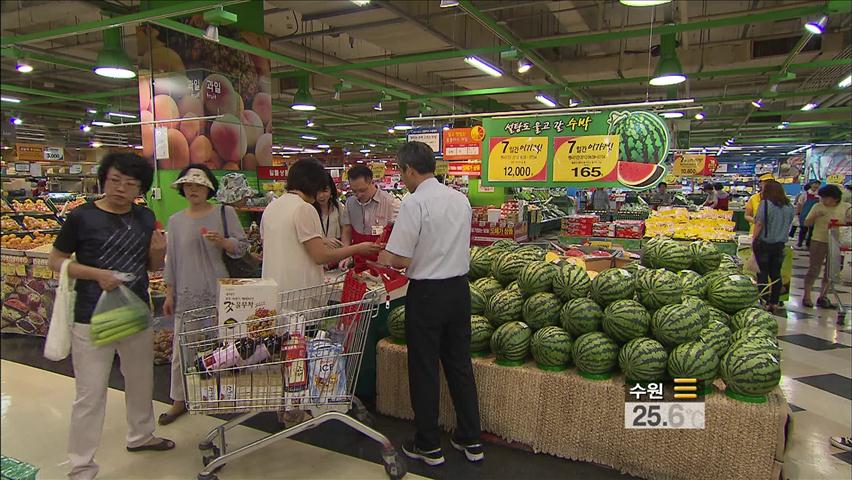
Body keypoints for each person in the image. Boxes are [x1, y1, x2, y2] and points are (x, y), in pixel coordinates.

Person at [48, 153, 173, 480]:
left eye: (130, 184)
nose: (121, 188)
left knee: (141, 380)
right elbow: (56, 261)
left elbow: (151, 267)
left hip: (135, 312)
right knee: (90, 393)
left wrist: (158, 253)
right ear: (104, 179)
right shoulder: (81, 217)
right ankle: (81, 465)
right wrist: (95, 273)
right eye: (115, 180)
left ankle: (141, 435)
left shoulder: (145, 217)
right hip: (92, 315)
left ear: (140, 188)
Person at [378, 142, 483, 467]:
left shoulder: (414, 202)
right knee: (459, 365)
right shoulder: (459, 199)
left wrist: (384, 256)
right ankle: (471, 438)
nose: (402, 177)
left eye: (400, 170)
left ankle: (428, 444)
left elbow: (402, 256)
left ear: (410, 169)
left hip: (426, 294)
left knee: (424, 369)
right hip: (458, 292)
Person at [159, 165, 249, 425]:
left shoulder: (224, 212)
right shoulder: (175, 221)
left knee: (223, 344)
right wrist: (168, 292)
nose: (193, 189)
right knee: (182, 349)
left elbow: (241, 247)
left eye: (198, 185)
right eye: (188, 185)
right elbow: (171, 260)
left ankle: (223, 393)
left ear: (209, 187)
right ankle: (179, 399)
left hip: (219, 291)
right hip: (187, 292)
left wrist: (223, 241)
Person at [262, 159, 381, 295]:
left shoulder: (272, 207)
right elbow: (321, 256)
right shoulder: (304, 208)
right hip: (299, 291)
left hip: (272, 289)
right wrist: (357, 248)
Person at [802, 184, 852, 308]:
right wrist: (815, 216)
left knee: (831, 270)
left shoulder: (846, 207)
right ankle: (807, 296)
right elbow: (806, 222)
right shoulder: (817, 207)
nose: (823, 200)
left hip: (836, 242)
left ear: (835, 198)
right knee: (814, 268)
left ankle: (823, 295)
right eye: (822, 197)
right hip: (819, 240)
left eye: (826, 198)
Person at [341, 165, 400, 267]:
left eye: (362, 190)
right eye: (354, 191)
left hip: (382, 263)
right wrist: (345, 254)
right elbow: (347, 230)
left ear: (371, 182)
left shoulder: (391, 203)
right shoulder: (350, 203)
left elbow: (400, 236)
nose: (358, 195)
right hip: (357, 262)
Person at [752, 180, 794, 313]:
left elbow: (759, 223)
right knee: (776, 274)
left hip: (764, 243)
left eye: (762, 188)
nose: (761, 190)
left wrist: (753, 239)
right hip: (780, 244)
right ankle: (774, 302)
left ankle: (763, 301)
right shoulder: (789, 206)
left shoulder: (765, 204)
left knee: (762, 273)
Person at [314, 172, 345, 245]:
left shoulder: (337, 206)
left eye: (325, 191)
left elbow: (344, 228)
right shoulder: (309, 208)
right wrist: (324, 241)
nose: (321, 196)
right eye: (317, 192)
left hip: (336, 250)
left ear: (331, 190)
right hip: (318, 250)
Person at [794, 180, 820, 249]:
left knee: (812, 231)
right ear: (810, 185)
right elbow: (799, 204)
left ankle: (808, 245)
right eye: (815, 183)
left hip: (814, 216)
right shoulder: (804, 194)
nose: (816, 185)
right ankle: (799, 244)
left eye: (818, 184)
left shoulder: (819, 195)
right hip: (804, 214)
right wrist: (798, 213)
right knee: (803, 230)